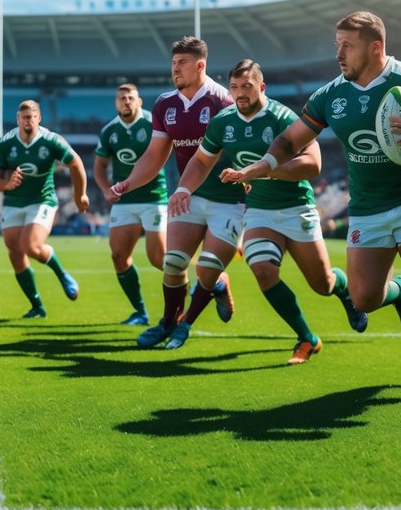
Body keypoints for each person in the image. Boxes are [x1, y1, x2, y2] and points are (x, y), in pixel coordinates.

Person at [225, 12, 401, 398]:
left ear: (375, 47)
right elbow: (290, 140)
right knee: (363, 298)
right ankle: (399, 291)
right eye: (336, 45)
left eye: (347, 46)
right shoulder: (330, 95)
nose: (339, 54)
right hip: (366, 209)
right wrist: (262, 166)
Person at [168, 59, 366, 365]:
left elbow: (313, 164)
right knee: (261, 269)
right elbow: (200, 161)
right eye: (234, 87)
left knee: (322, 283)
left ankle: (345, 293)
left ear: (262, 87)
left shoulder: (282, 117)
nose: (239, 94)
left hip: (296, 207)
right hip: (259, 210)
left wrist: (261, 172)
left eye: (246, 86)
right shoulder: (223, 121)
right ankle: (307, 338)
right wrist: (183, 189)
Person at [110, 36, 242, 350]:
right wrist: (128, 183)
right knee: (173, 262)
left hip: (229, 199)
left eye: (182, 63)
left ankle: (188, 319)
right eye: (173, 63)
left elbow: (243, 151)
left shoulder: (223, 102)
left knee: (206, 266)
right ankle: (168, 322)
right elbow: (155, 155)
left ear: (200, 65)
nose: (175, 69)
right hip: (188, 195)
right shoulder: (165, 103)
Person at [0, 100, 87, 318]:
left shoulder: (51, 140)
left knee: (31, 246)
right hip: (13, 202)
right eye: (23, 117)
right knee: (14, 250)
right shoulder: (6, 142)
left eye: (31, 117)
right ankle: (37, 306)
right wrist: (6, 185)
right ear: (17, 120)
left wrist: (80, 195)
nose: (27, 121)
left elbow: (76, 163)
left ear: (39, 118)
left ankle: (62, 274)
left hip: (42, 199)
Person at [93, 84, 167, 326]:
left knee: (159, 258)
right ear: (116, 103)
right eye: (122, 98)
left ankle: (204, 281)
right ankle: (140, 312)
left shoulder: (152, 124)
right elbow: (100, 166)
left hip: (154, 196)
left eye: (130, 98)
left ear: (139, 102)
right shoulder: (109, 131)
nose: (126, 102)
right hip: (124, 201)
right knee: (118, 255)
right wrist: (106, 190)